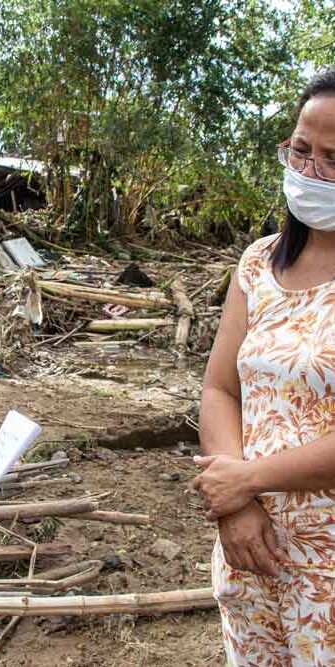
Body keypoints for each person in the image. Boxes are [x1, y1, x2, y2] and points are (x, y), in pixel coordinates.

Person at [193, 70, 335, 666]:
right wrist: (236, 506)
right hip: (251, 551)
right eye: (301, 149)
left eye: (333, 158)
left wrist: (249, 480)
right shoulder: (258, 264)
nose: (309, 171)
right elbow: (220, 388)